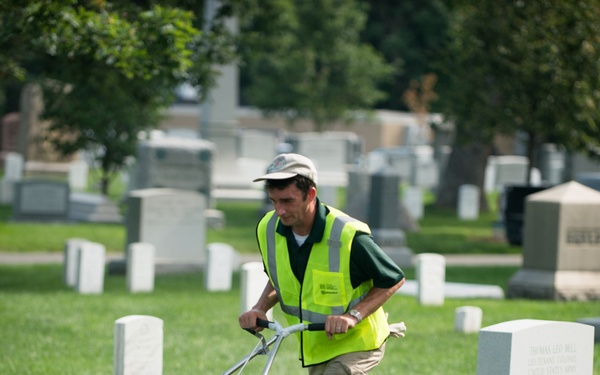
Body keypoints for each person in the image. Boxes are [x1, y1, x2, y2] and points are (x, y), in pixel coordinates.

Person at [238, 153, 405, 374]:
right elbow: (280, 275)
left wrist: (352, 316)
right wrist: (260, 308)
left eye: (287, 201)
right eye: (274, 201)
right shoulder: (267, 228)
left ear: (311, 194)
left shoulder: (347, 234)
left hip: (359, 341)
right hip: (317, 346)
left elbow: (393, 279)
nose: (279, 211)